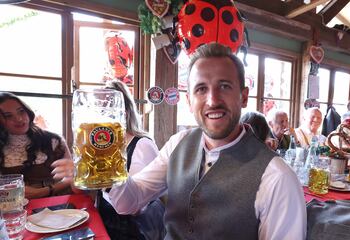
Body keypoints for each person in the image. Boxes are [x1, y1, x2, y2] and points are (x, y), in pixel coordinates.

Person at [60, 43, 306, 239]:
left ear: (243, 97)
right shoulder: (179, 143)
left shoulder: (276, 176)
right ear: (189, 101)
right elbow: (129, 202)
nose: (212, 100)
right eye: (201, 89)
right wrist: (105, 169)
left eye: (224, 86)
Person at [97, 80, 164, 240]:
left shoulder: (142, 145)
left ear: (124, 113)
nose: (100, 117)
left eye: (107, 110)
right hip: (107, 226)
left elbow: (137, 207)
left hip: (133, 232)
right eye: (99, 110)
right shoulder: (103, 147)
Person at [0, 92, 73, 199]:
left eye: (21, 111)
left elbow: (72, 177)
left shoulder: (53, 140)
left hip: (57, 205)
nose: (19, 119)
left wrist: (42, 192)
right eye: (8, 116)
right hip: (14, 209)